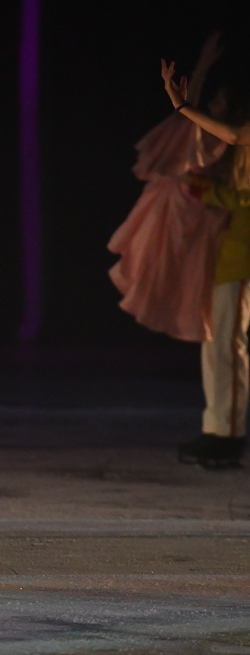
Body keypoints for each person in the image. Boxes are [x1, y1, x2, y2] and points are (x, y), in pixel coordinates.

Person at [108, 32, 229, 342]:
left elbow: (193, 118)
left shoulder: (223, 138)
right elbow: (189, 113)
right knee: (157, 265)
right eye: (215, 100)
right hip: (180, 204)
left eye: (220, 101)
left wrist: (201, 70)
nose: (214, 105)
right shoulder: (203, 130)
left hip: (200, 211)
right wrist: (201, 67)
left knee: (191, 278)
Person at [161, 56, 250, 468]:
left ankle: (229, 434)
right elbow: (221, 135)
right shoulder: (236, 148)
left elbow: (241, 198)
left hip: (242, 259)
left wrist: (183, 105)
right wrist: (183, 102)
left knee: (229, 346)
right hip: (226, 254)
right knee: (216, 346)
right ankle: (216, 427)